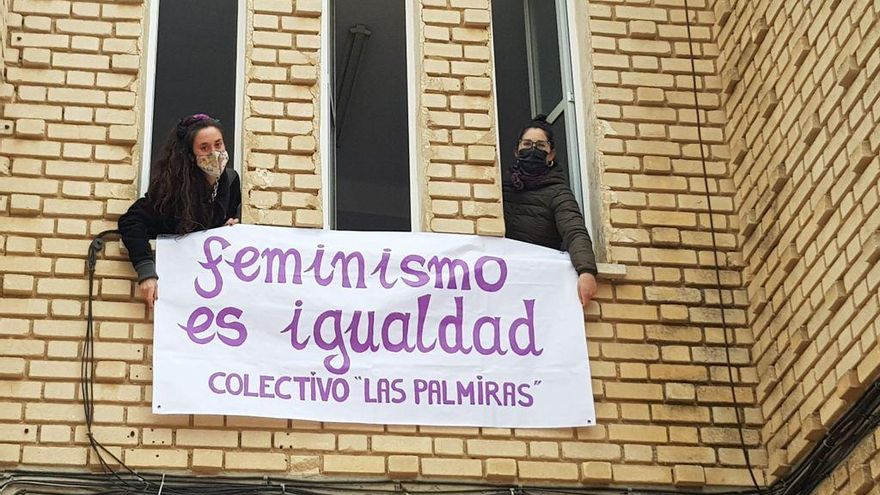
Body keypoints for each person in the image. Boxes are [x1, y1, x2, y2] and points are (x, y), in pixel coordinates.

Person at [118, 113, 241, 310]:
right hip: (174, 286)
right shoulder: (172, 188)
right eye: (204, 147)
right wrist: (146, 271)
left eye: (218, 145)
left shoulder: (231, 181)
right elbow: (132, 221)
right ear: (191, 155)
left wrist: (230, 229)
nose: (214, 153)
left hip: (210, 288)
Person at [502, 115, 598, 306]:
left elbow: (574, 231)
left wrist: (586, 270)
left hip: (537, 283)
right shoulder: (501, 187)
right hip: (502, 280)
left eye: (540, 146)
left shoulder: (558, 192)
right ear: (516, 150)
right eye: (527, 144)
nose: (532, 150)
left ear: (551, 154)